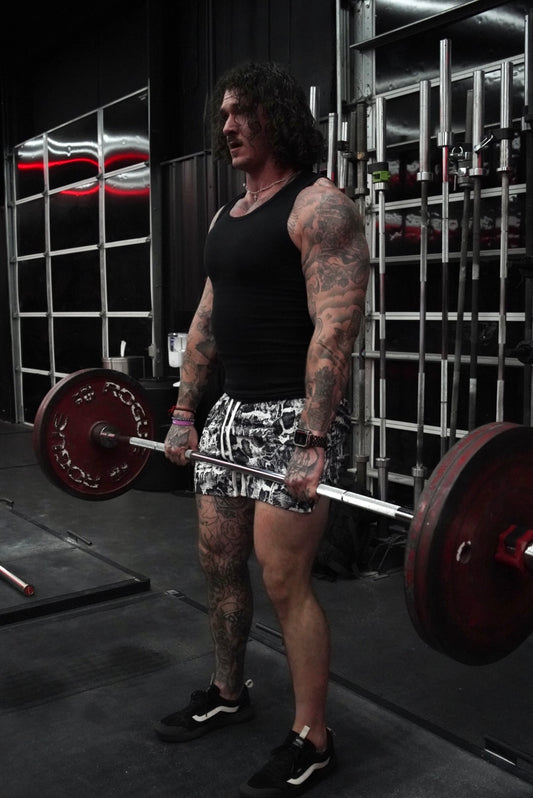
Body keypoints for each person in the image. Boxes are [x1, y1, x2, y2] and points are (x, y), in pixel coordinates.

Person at [157, 61, 370, 797]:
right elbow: (208, 319)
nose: (227, 126)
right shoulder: (227, 217)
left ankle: (313, 735)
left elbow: (335, 328)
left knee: (284, 579)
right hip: (230, 413)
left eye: (242, 111)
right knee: (219, 564)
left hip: (290, 416)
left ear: (276, 116)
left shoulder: (320, 206)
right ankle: (228, 690)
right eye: (222, 115)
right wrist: (185, 413)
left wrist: (312, 439)